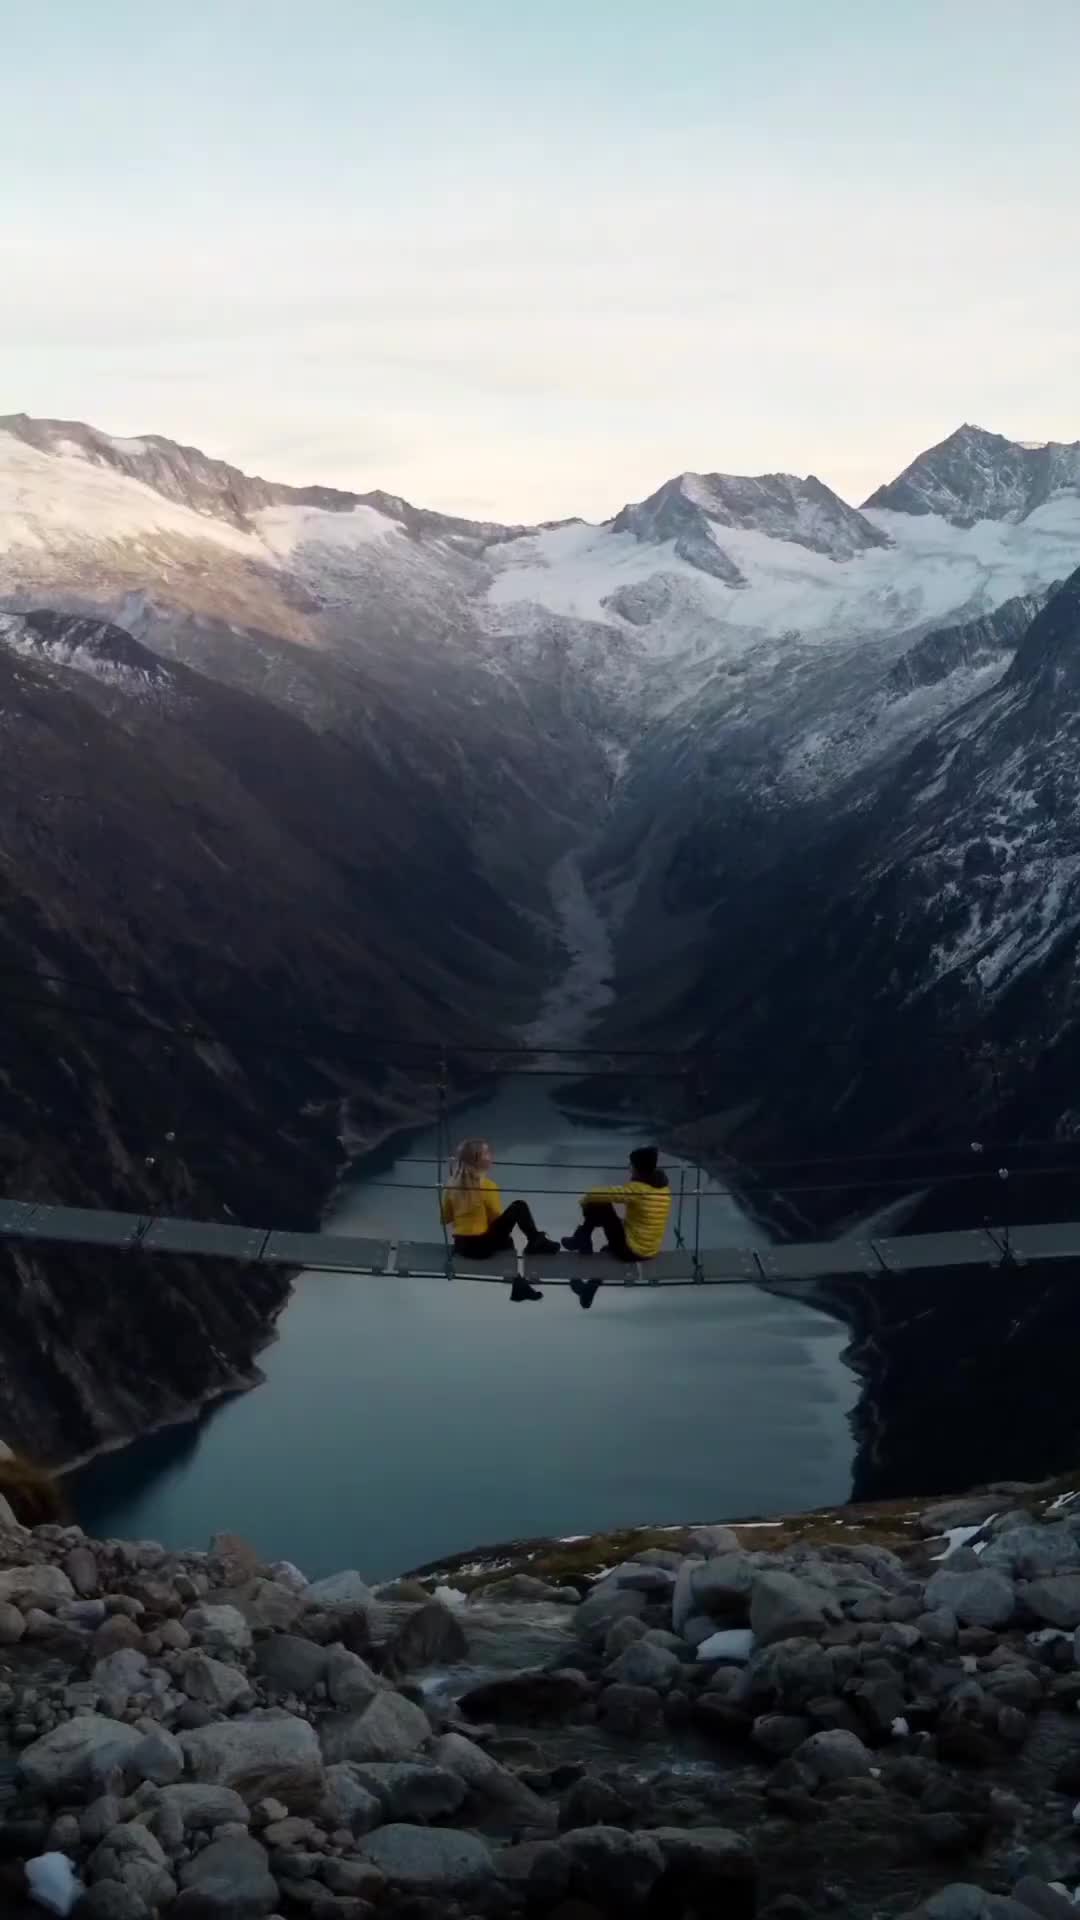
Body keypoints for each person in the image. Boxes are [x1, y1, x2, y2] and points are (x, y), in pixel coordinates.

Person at [441, 1138, 559, 1303]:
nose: (491, 1156)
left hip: (462, 1246)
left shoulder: (450, 1184)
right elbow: (495, 1217)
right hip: (481, 1247)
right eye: (487, 1153)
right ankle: (536, 1241)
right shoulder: (488, 1185)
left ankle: (518, 1284)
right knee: (519, 1206)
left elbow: (445, 1218)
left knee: (506, 1239)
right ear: (478, 1159)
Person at [562, 1146, 672, 1308]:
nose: (630, 1170)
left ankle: (582, 1239)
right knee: (607, 1250)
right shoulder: (663, 1188)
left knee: (600, 1204)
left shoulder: (638, 1189)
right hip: (649, 1250)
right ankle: (589, 1287)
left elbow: (603, 1194)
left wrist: (585, 1201)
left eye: (631, 1166)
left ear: (638, 1168)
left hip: (631, 1250)